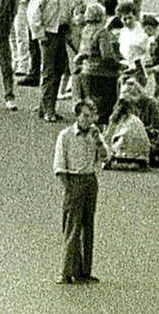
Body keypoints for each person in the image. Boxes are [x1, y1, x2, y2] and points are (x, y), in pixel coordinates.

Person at [53, 98, 109, 285]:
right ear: (77, 116)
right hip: (74, 179)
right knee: (72, 226)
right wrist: (69, 188)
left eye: (92, 116)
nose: (89, 120)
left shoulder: (94, 134)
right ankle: (66, 270)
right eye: (85, 116)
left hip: (90, 179)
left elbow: (106, 157)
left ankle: (84, 271)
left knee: (88, 226)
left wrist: (99, 142)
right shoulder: (66, 135)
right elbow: (59, 165)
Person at [28, 0, 73, 122]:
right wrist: (39, 33)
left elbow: (67, 8)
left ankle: (47, 105)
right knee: (48, 71)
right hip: (49, 32)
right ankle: (48, 109)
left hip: (61, 31)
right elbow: (34, 10)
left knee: (59, 69)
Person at [104, 98, 150, 168]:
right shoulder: (137, 119)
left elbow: (107, 139)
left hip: (122, 156)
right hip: (141, 158)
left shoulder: (116, 119)